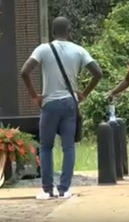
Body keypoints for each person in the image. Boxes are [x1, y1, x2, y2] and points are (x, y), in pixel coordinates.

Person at [21, 16, 102, 199]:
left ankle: (47, 189)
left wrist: (35, 96)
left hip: (49, 103)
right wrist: (84, 94)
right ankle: (64, 189)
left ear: (52, 32)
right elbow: (98, 73)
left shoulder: (43, 49)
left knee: (46, 146)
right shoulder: (79, 50)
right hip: (69, 104)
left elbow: (24, 72)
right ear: (69, 31)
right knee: (68, 147)